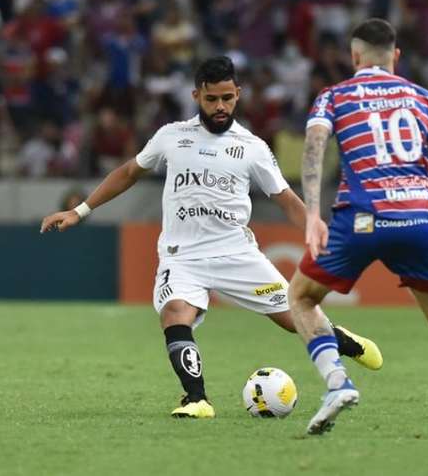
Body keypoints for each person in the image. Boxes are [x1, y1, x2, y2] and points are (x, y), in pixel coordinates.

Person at [40, 56, 382, 419]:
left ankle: (344, 341)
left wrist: (316, 229)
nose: (220, 107)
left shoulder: (252, 147)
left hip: (236, 254)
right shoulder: (172, 136)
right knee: (175, 315)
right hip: (182, 256)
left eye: (227, 98)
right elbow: (128, 172)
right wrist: (79, 211)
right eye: (211, 99)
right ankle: (196, 399)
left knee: (293, 318)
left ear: (238, 94)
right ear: (196, 96)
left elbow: (285, 198)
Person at [288, 19, 428, 436]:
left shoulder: (334, 96)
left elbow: (314, 148)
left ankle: (336, 382)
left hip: (361, 218)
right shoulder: (424, 98)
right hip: (418, 219)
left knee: (301, 297)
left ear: (353, 56)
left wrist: (313, 214)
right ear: (396, 56)